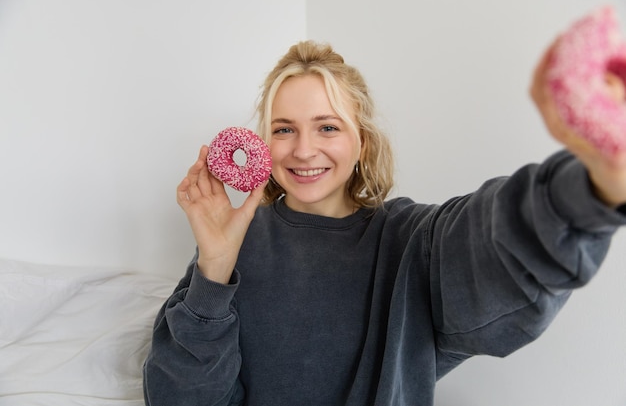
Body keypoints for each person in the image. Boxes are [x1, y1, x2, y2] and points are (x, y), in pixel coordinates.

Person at [142, 39, 626, 406]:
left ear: (362, 144)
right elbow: (178, 396)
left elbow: (488, 246)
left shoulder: (410, 239)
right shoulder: (234, 243)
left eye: (328, 127)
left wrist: (588, 188)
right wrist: (215, 266)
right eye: (283, 129)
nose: (304, 149)